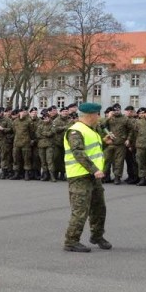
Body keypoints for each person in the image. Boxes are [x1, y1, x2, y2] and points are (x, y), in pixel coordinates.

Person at [62, 102, 112, 253]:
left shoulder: (91, 130)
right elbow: (78, 153)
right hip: (79, 175)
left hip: (92, 175)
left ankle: (97, 236)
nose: (99, 117)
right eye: (97, 114)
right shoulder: (75, 131)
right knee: (80, 210)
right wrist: (94, 169)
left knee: (99, 207)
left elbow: (92, 151)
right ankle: (71, 241)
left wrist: (105, 143)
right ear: (90, 115)